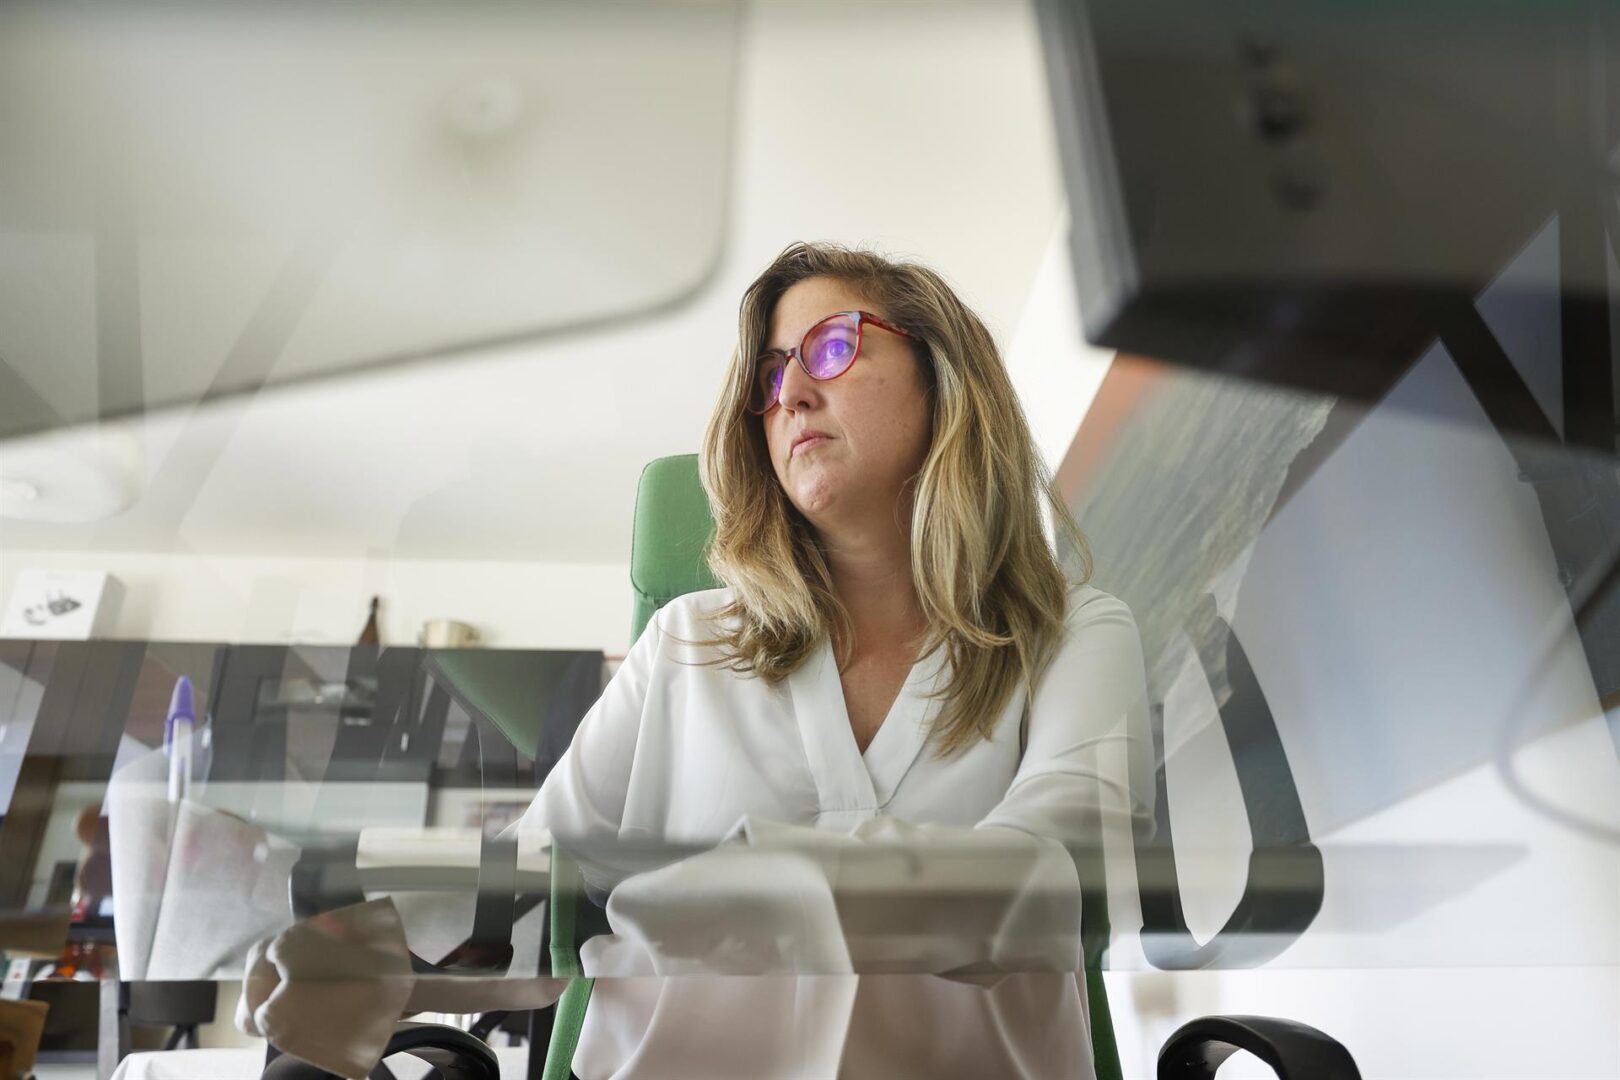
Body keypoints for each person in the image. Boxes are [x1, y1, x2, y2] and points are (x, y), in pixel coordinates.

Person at [523, 241, 1156, 1078]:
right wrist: (379, 944)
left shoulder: (1074, 634)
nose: (789, 392)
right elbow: (531, 893)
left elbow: (1053, 877)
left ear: (943, 375)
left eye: (831, 345)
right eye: (771, 371)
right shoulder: (687, 641)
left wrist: (760, 885)